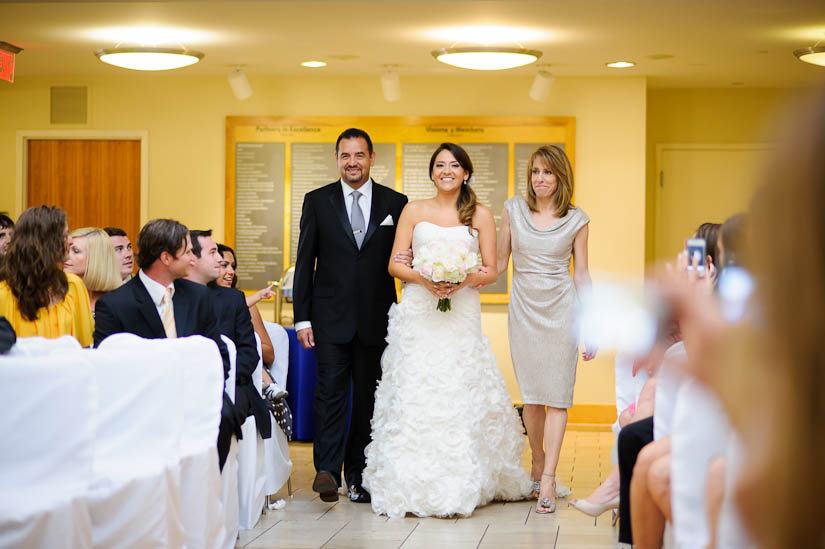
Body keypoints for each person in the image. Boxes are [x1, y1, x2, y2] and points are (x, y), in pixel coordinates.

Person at [362, 142, 532, 518]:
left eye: (454, 165)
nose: (446, 170)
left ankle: (464, 477)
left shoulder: (481, 215)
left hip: (461, 309)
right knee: (416, 387)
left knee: (458, 384)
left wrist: (461, 278)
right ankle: (408, 480)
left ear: (466, 172)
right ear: (432, 172)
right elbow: (394, 264)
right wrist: (426, 279)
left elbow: (491, 269)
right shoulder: (413, 210)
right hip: (421, 310)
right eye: (440, 165)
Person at [293, 128, 408, 503]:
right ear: (337, 159)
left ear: (372, 158)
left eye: (359, 155)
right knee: (329, 394)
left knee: (367, 403)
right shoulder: (317, 201)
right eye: (345, 156)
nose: (352, 162)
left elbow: (403, 260)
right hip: (329, 319)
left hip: (377, 319)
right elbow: (304, 262)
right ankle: (327, 471)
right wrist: (303, 318)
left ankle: (358, 475)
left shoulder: (396, 202)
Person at [93, 218, 239, 469]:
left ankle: (203, 492)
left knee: (224, 415)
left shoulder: (198, 297)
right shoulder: (116, 305)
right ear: (166, 258)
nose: (193, 258)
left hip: (196, 392)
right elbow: (107, 366)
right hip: (142, 398)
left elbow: (219, 355)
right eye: (187, 252)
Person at [496, 144, 594, 513]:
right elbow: (499, 262)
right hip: (524, 313)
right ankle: (537, 457)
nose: (540, 179)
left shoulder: (577, 219)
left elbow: (582, 274)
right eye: (535, 171)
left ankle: (549, 475)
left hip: (562, 312)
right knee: (533, 399)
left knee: (557, 397)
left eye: (548, 172)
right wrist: (455, 275)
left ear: (561, 177)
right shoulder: (513, 210)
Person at [189, 230, 271, 442]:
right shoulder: (174, 296)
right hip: (187, 384)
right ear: (192, 258)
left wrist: (222, 376)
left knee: (220, 417)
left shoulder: (233, 299)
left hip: (232, 384)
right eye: (213, 253)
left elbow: (249, 352)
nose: (220, 260)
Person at [0, 206, 93, 345]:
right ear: (45, 243)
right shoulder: (3, 294)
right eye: (65, 235)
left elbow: (86, 345)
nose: (71, 241)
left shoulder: (74, 285)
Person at [214, 243, 275, 368]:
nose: (231, 271)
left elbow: (269, 353)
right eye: (224, 265)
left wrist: (241, 346)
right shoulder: (199, 302)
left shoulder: (246, 304)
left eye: (233, 266)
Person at [64, 227, 122, 314]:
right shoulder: (56, 297)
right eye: (66, 249)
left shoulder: (118, 303)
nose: (66, 256)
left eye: (76, 251)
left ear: (96, 259)